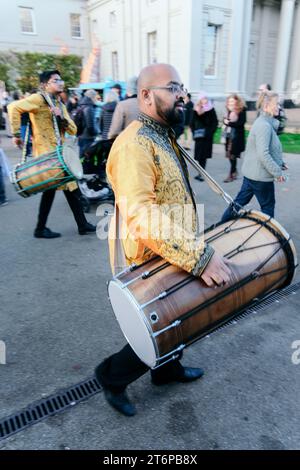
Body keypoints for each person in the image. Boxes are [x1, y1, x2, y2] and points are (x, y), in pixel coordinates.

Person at [94, 63, 232, 417]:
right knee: (157, 325)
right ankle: (111, 376)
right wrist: (200, 256)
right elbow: (141, 212)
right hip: (151, 256)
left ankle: (167, 371)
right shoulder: (133, 144)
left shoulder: (162, 134)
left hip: (177, 248)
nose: (182, 95)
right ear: (145, 95)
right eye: (173, 88)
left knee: (179, 319)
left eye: (182, 87)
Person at [8, 70, 96, 238]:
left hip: (59, 154)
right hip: (46, 155)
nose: (60, 82)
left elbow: (73, 128)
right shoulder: (38, 99)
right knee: (57, 189)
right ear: (44, 85)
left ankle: (80, 224)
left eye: (61, 80)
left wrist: (61, 116)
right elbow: (13, 107)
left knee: (69, 186)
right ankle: (42, 228)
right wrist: (16, 135)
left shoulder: (59, 104)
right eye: (56, 80)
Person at [221, 91, 287, 223]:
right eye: (276, 104)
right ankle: (269, 237)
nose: (279, 107)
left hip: (252, 175)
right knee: (268, 207)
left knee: (238, 203)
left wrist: (280, 163)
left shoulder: (265, 123)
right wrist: (277, 172)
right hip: (261, 177)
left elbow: (264, 150)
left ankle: (222, 223)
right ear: (266, 106)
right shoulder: (264, 126)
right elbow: (263, 154)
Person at [190, 92, 218, 181]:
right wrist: (194, 131)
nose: (205, 100)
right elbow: (192, 122)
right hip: (199, 136)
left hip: (207, 137)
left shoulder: (211, 109)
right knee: (198, 156)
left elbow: (215, 122)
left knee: (204, 156)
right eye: (203, 98)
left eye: (206, 98)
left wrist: (210, 132)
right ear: (200, 100)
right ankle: (201, 172)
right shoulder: (196, 109)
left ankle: (202, 174)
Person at [222, 94, 247, 183]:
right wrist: (225, 121)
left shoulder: (242, 110)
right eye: (229, 101)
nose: (231, 103)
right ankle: (234, 171)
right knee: (230, 155)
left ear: (237, 101)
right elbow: (224, 120)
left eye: (233, 101)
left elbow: (241, 123)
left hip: (236, 137)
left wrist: (228, 123)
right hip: (228, 136)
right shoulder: (228, 110)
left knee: (233, 155)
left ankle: (232, 174)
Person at [77, 89, 99, 158]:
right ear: (92, 96)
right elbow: (90, 125)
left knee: (81, 155)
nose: (97, 98)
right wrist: (95, 132)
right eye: (96, 96)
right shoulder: (89, 107)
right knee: (86, 157)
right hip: (87, 137)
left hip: (81, 135)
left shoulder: (81, 105)